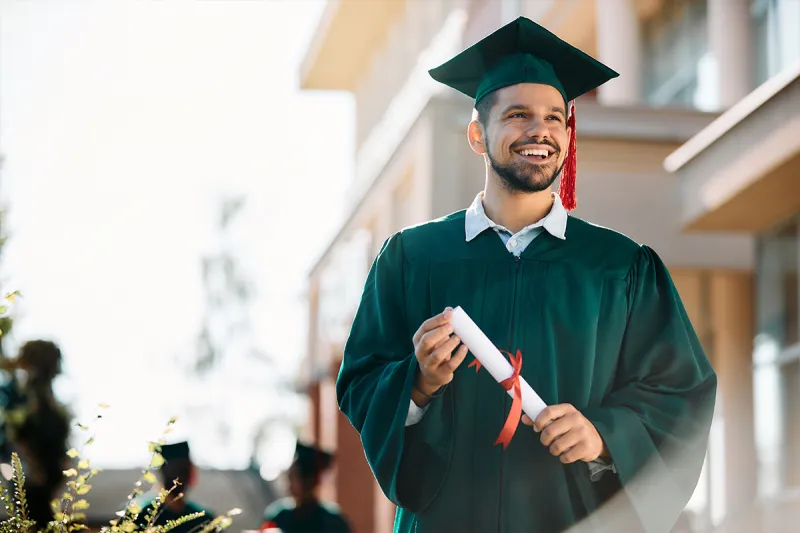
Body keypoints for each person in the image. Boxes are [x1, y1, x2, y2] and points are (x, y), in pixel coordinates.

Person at [336, 16, 717, 533]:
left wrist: (603, 434)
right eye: (517, 115)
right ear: (477, 134)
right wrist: (418, 384)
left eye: (555, 118)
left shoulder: (620, 267)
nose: (540, 131)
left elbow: (680, 395)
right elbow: (361, 381)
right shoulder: (412, 258)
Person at [0, 340, 71, 530]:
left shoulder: (46, 397)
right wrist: (31, 466)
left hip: (44, 474)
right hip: (29, 475)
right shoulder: (20, 395)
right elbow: (15, 436)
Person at [261, 442, 351, 533]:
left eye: (294, 477)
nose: (289, 483)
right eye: (289, 476)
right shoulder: (278, 516)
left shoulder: (333, 522)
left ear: (310, 481)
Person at [135, 441, 216, 533]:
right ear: (163, 472)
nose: (180, 479)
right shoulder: (140, 515)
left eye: (184, 471)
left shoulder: (203, 519)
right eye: (174, 471)